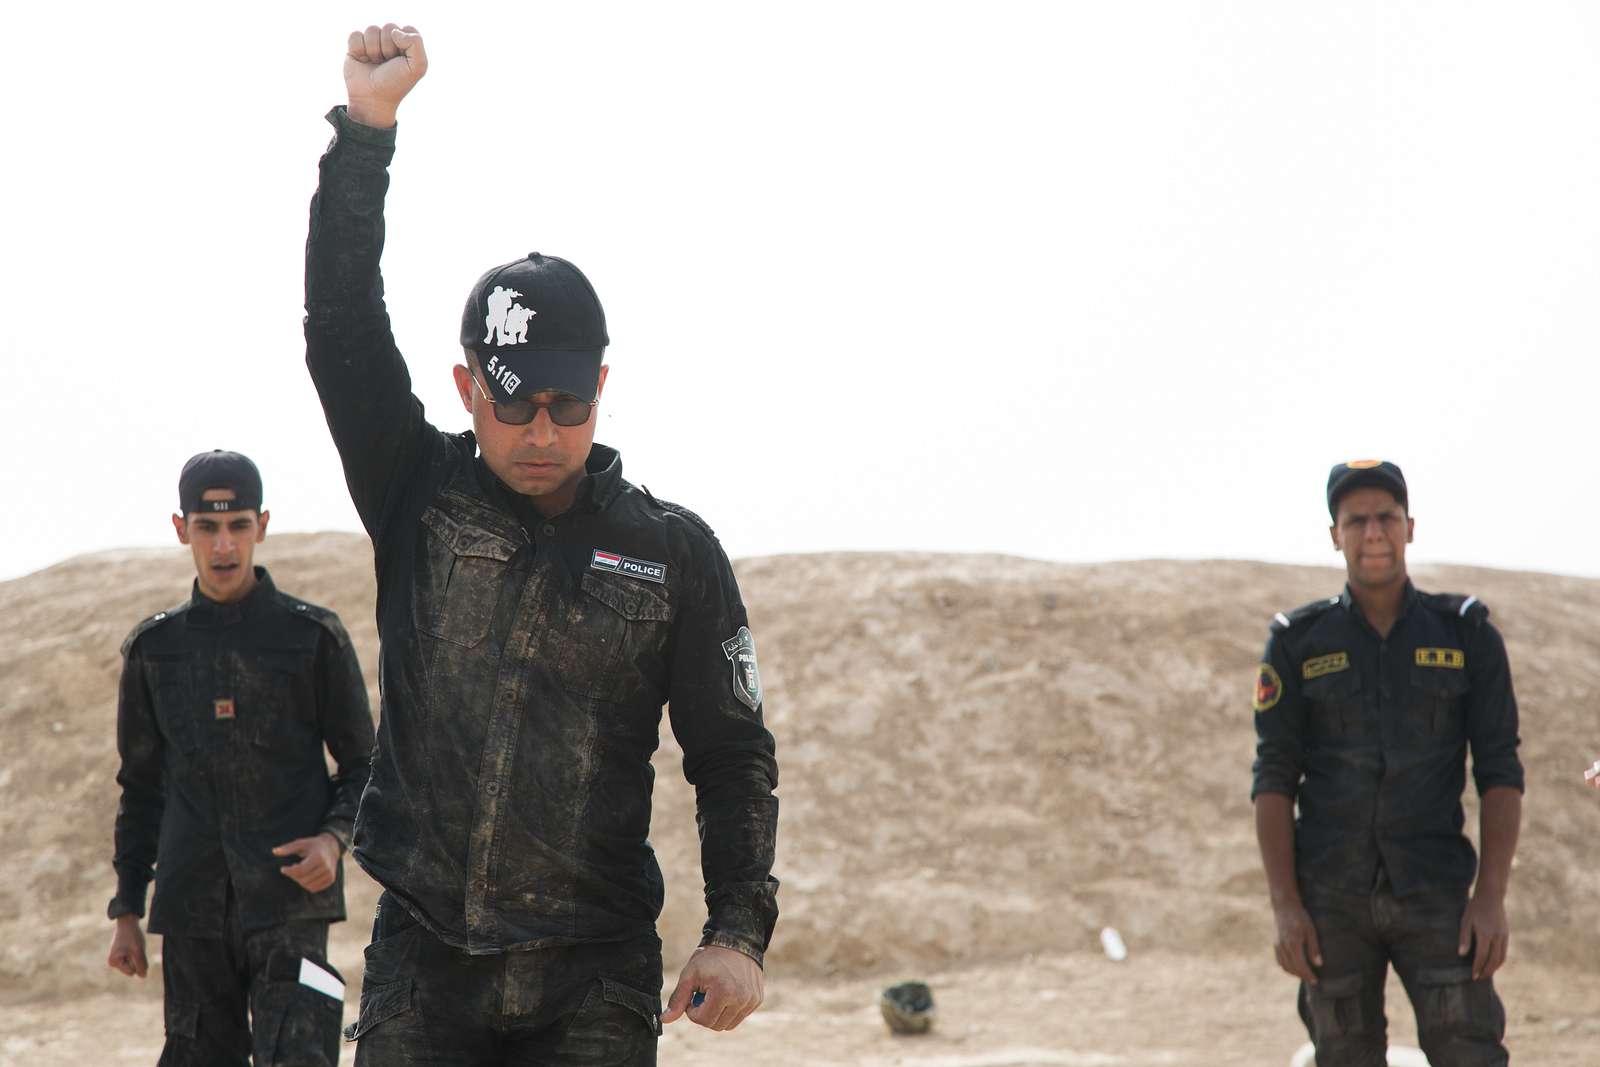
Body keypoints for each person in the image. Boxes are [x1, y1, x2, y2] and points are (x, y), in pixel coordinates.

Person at [303, 24, 779, 1064]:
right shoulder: (413, 489)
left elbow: (733, 755)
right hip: (424, 956)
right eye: (515, 403)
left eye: (569, 404)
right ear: (471, 385)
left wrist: (737, 931)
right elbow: (340, 324)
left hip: (595, 971)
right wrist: (367, 132)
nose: (542, 431)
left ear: (601, 388)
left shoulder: (673, 554)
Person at [107, 450, 375, 1066]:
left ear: (262, 525)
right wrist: (126, 908)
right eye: (207, 526)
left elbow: (365, 768)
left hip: (289, 906)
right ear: (183, 530)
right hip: (192, 910)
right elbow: (141, 789)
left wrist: (333, 841)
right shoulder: (155, 649)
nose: (223, 545)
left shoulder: (313, 638)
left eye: (238, 526)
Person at [1251, 460, 1524, 1066]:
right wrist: (1285, 907)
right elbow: (1273, 777)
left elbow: (1500, 770)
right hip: (1331, 903)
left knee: (1470, 1054)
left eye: (1386, 518)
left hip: (1437, 896)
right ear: (1335, 535)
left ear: (1409, 528)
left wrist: (1490, 898)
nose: (1373, 532)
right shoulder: (1298, 643)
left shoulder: (1466, 635)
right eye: (1357, 521)